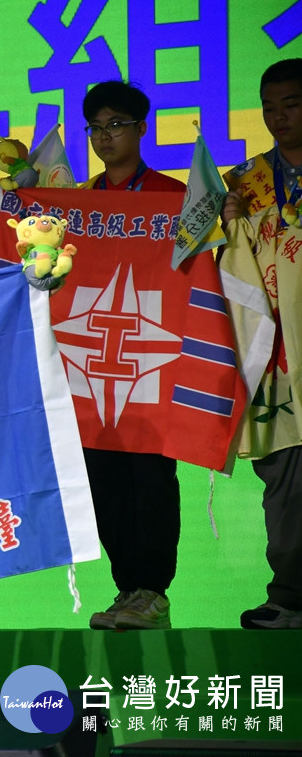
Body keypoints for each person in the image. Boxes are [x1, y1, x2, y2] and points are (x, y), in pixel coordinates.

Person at [78, 80, 187, 632]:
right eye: (95, 127)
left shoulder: (174, 198)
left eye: (116, 124)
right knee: (102, 478)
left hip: (153, 362)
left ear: (142, 127)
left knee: (149, 476)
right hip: (92, 363)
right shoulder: (77, 204)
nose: (105, 136)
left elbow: (202, 269)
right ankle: (128, 590)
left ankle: (153, 591)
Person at [220, 58, 302, 629]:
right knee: (284, 476)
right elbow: (229, 265)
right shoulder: (246, 181)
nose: (278, 117)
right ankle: (291, 597)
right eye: (269, 107)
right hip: (277, 355)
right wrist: (229, 225)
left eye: (290, 104)